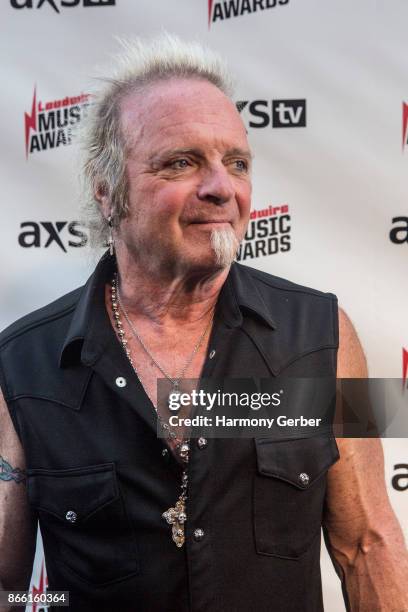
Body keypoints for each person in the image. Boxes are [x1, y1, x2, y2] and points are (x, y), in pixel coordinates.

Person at [0, 34, 407, 612]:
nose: (223, 188)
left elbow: (370, 544)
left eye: (236, 162)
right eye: (182, 162)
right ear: (107, 191)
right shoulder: (23, 363)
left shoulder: (326, 335)